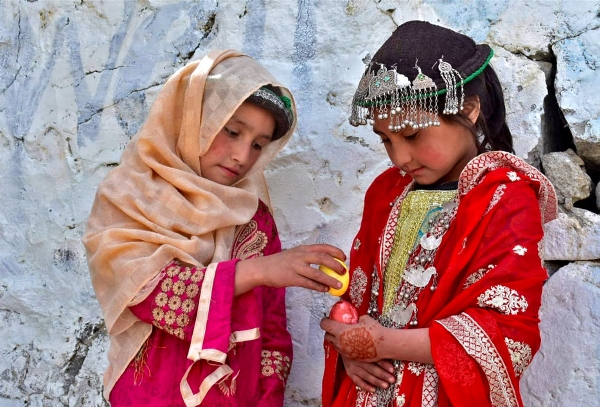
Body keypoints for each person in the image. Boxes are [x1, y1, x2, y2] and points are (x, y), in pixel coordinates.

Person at [82, 50, 346, 407]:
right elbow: (144, 292)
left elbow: (271, 332)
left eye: (257, 145)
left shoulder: (252, 217)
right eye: (232, 132)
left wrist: (268, 396)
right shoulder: (129, 196)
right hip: (151, 394)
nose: (242, 156)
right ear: (193, 119)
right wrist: (256, 272)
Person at [320, 21, 558, 407]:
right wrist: (346, 343)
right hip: (363, 392)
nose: (399, 157)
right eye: (386, 140)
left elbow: (509, 334)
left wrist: (382, 342)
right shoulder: (385, 191)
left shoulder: (504, 196)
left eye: (411, 135)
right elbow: (362, 298)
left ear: (468, 108)